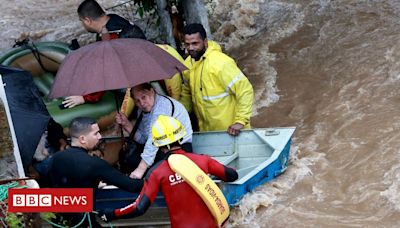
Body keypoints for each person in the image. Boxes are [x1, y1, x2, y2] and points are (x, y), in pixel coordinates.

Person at [97, 115, 238, 227]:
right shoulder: (203, 160)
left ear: (157, 144)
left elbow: (139, 208)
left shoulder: (156, 173)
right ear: (181, 137)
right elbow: (231, 175)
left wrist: (111, 214)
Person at [48, 117, 143, 227]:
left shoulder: (54, 159)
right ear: (82, 139)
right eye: (96, 133)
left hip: (59, 223)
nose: (100, 136)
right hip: (85, 223)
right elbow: (131, 186)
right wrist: (154, 177)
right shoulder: (94, 164)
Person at [62, 0, 147, 108]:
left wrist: (84, 98)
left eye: (81, 21)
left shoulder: (111, 37)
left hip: (135, 83)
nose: (82, 24)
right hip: (142, 68)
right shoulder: (113, 20)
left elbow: (105, 73)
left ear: (87, 20)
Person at [179, 23, 254, 136]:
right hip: (207, 133)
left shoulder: (221, 63)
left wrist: (240, 121)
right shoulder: (188, 64)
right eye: (187, 44)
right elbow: (187, 94)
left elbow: (245, 90)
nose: (191, 48)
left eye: (195, 43)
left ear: (205, 42)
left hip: (232, 131)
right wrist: (177, 116)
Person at [115, 83, 193, 179]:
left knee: (141, 164)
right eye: (137, 101)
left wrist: (140, 169)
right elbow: (144, 139)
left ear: (152, 91)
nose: (142, 103)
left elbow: (152, 141)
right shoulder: (143, 110)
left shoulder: (162, 106)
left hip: (178, 147)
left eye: (144, 97)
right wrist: (127, 125)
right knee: (128, 157)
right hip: (162, 147)